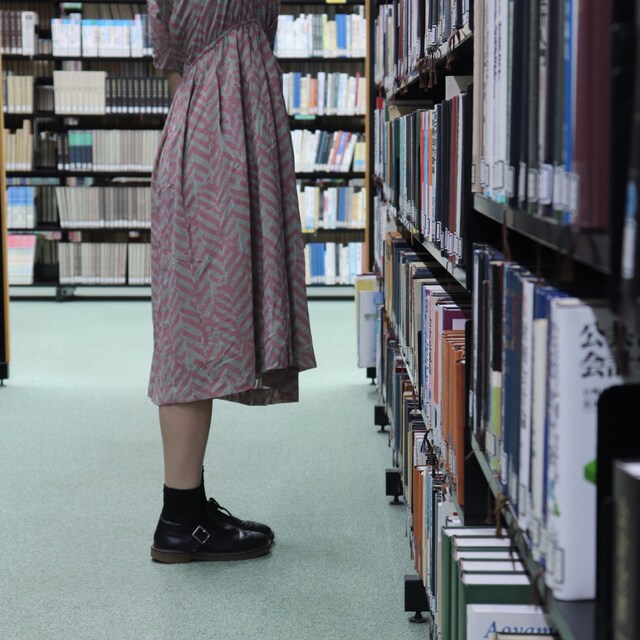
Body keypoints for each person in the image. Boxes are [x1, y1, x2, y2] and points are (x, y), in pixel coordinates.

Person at [146, 0, 317, 563]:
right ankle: (179, 519)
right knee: (189, 335)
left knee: (189, 325)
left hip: (210, 131)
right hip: (222, 144)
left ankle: (188, 508)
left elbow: (172, 60)